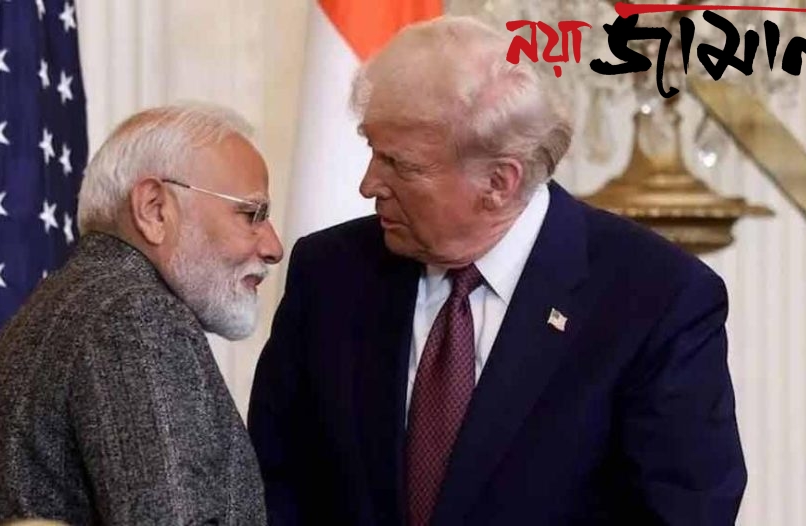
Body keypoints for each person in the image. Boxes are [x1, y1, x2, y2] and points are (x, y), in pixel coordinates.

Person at [248, 16, 747, 526]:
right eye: (374, 152)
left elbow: (686, 514)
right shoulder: (331, 273)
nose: (369, 184)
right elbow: (270, 483)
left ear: (499, 182)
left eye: (401, 165)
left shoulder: (656, 299)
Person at [0, 102, 283, 525]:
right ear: (154, 209)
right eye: (252, 214)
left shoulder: (68, 305)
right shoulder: (136, 316)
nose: (273, 247)